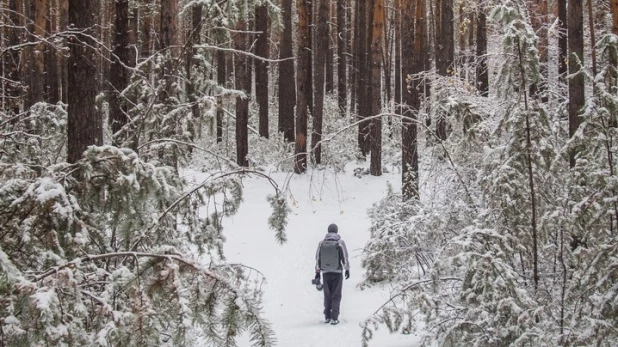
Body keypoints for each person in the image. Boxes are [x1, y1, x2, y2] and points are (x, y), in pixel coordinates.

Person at [315, 223, 350, 325]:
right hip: (337, 272)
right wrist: (347, 269)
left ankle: (327, 316)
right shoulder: (340, 242)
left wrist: (317, 273)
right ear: (336, 231)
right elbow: (345, 256)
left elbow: (318, 258)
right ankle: (334, 317)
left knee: (327, 295)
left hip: (325, 272)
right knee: (336, 295)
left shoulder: (321, 243)